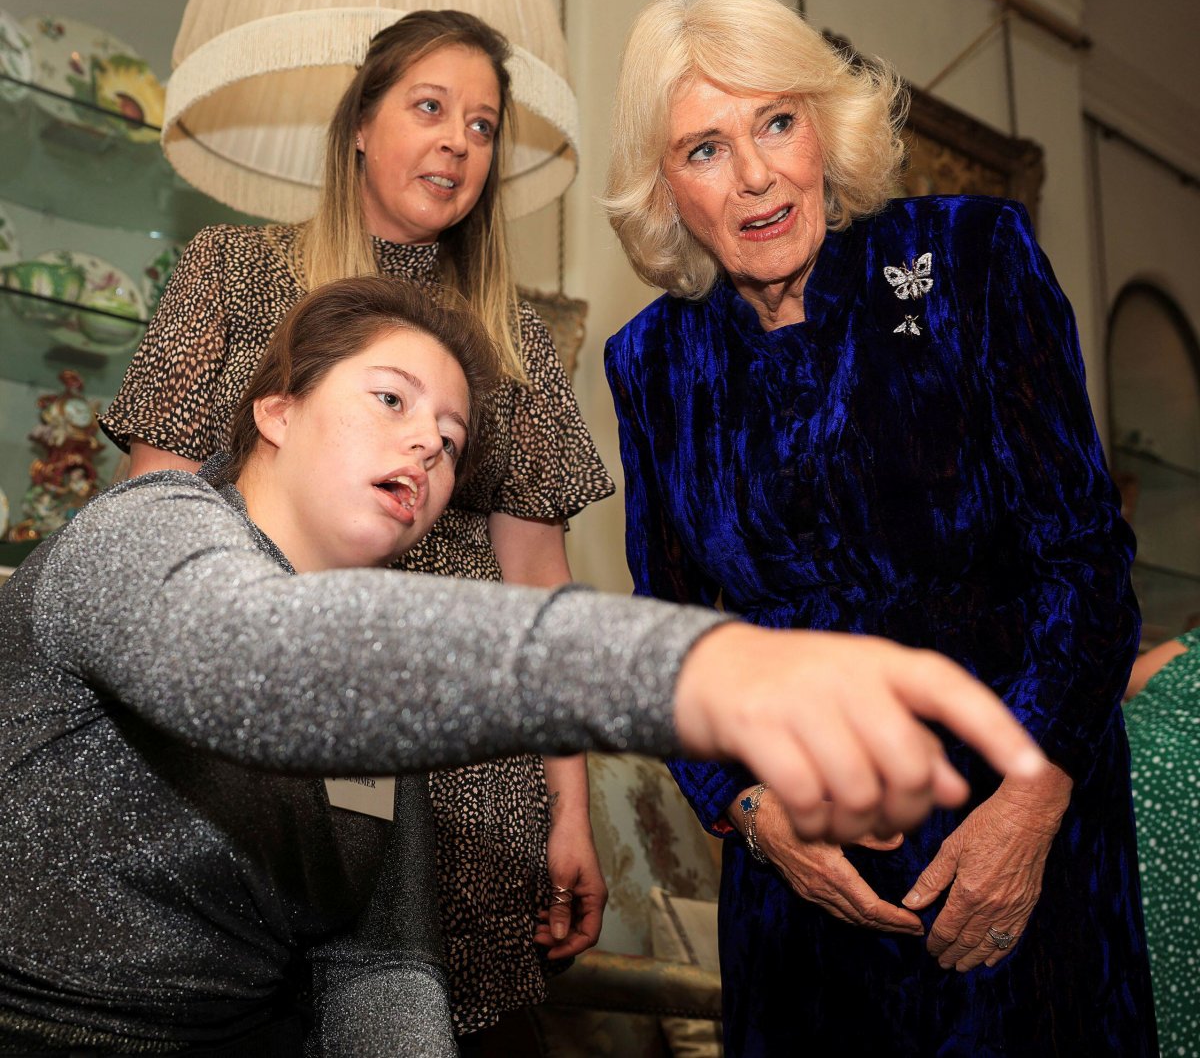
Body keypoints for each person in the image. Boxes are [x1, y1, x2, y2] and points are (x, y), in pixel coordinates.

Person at [0, 276, 1043, 1056]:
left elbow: (377, 964)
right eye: (393, 401)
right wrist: (703, 672)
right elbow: (250, 662)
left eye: (450, 441)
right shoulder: (140, 536)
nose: (426, 452)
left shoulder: (384, 700)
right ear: (276, 410)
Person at [602, 0, 1155, 1057]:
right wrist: (750, 814)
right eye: (704, 149)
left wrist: (1028, 807)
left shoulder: (972, 260)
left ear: (825, 125)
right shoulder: (653, 364)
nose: (756, 175)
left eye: (776, 121)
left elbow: (1086, 563)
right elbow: (665, 632)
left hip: (1017, 854)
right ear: (665, 189)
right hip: (805, 892)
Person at [100, 10, 612, 1035]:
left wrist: (572, 806)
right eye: (431, 107)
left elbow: (540, 582)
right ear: (361, 127)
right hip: (255, 740)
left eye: (481, 126)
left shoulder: (511, 339)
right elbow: (138, 533)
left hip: (472, 771)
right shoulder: (238, 269)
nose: (458, 142)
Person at [1124, 631, 1200, 1056]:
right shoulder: (1198, 642)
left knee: (1167, 963)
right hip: (1119, 821)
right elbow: (1120, 680)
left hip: (1182, 843)